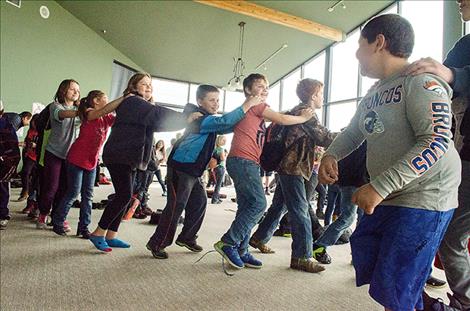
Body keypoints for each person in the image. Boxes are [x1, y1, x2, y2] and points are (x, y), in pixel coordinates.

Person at [318, 14, 460, 311]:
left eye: (360, 45)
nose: (357, 54)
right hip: (388, 196)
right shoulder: (374, 93)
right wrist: (331, 154)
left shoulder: (421, 82)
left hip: (424, 197)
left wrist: (379, 186)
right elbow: (355, 131)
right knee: (382, 275)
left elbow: (435, 142)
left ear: (379, 42)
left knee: (396, 287)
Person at [146, 84, 261, 259]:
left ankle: (187, 237)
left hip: (194, 170)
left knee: (199, 202)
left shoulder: (208, 119)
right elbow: (224, 122)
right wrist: (247, 105)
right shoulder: (200, 118)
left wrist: (248, 114)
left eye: (218, 100)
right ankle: (157, 243)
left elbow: (227, 126)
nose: (216, 104)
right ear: (200, 101)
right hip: (181, 167)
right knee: (176, 207)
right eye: (212, 100)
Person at [406, 0, 470, 309]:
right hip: (466, 155)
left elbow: (450, 77)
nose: (459, 2)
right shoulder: (465, 44)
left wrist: (450, 73)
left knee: (451, 236)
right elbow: (443, 86)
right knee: (451, 235)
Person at [214, 73, 314, 270]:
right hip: (243, 161)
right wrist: (303, 117)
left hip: (245, 162)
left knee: (246, 207)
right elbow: (282, 119)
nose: (265, 90)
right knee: (259, 204)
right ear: (248, 90)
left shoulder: (252, 111)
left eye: (267, 87)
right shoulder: (257, 105)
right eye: (260, 86)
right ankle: (228, 242)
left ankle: (242, 250)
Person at [89, 72, 197, 253]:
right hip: (119, 155)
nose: (149, 87)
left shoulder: (142, 106)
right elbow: (157, 114)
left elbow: (158, 123)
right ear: (133, 86)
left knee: (125, 195)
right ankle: (98, 233)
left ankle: (111, 235)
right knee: (124, 195)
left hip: (128, 157)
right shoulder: (133, 102)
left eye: (150, 85)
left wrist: (184, 122)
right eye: (144, 84)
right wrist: (185, 117)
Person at [248, 78, 334, 273]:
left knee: (280, 205)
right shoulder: (307, 113)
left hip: (288, 167)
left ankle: (259, 238)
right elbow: (325, 137)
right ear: (313, 96)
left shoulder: (296, 109)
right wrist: (351, 136)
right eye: (320, 94)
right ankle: (302, 256)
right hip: (294, 168)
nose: (322, 98)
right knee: (301, 210)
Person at [51, 90, 128, 238]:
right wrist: (123, 97)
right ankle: (58, 222)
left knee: (88, 196)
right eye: (105, 98)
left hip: (92, 161)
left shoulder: (106, 117)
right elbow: (104, 110)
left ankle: (83, 228)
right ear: (95, 101)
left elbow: (120, 118)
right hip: (76, 158)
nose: (108, 101)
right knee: (73, 192)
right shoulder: (88, 112)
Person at [312, 141, 368, 265]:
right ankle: (356, 255)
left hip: (345, 181)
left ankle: (322, 245)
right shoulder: (368, 138)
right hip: (359, 181)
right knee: (357, 218)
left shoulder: (347, 140)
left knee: (348, 217)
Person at [37, 79, 81, 230]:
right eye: (72, 89)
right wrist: (83, 112)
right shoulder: (55, 106)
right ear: (63, 91)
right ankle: (43, 213)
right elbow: (63, 114)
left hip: (70, 156)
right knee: (51, 187)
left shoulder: (79, 109)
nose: (76, 92)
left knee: (65, 189)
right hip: (54, 153)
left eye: (77, 90)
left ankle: (58, 217)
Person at [0, 100, 20, 230]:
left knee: (2, 187)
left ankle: (3, 215)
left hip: (4, 163)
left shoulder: (6, 126)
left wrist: (8, 165)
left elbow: (13, 150)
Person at [211, 135, 227, 204]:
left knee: (217, 183)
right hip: (221, 167)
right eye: (223, 140)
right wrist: (225, 155)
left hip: (215, 167)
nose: (225, 141)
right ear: (220, 141)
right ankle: (215, 199)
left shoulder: (214, 149)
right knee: (219, 184)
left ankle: (216, 197)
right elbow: (223, 158)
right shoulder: (221, 149)